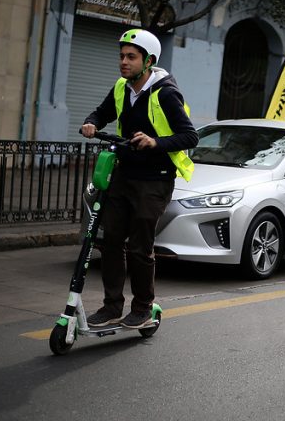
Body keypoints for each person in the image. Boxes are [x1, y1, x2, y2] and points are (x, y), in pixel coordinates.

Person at [81, 29, 198, 328]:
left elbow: (190, 136)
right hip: (124, 174)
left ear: (149, 61)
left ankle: (143, 306)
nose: (124, 62)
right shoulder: (122, 87)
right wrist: (91, 123)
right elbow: (102, 112)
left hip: (155, 180)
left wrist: (155, 142)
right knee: (111, 243)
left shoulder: (166, 93)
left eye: (131, 57)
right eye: (121, 56)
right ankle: (111, 307)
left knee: (138, 247)